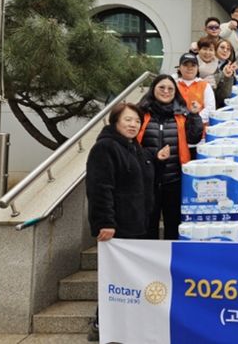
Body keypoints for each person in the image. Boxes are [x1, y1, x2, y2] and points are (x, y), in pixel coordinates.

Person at [85, 102, 166, 341]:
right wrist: (105, 222)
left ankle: (124, 324)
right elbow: (100, 188)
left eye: (137, 121)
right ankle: (100, 324)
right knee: (115, 279)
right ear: (115, 121)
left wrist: (156, 158)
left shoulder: (133, 147)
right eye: (128, 120)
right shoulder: (105, 148)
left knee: (128, 279)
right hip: (118, 227)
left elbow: (141, 173)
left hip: (138, 224)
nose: (133, 125)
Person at [137, 75, 203, 240]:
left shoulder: (182, 113)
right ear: (153, 89)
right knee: (147, 226)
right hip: (147, 181)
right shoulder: (141, 113)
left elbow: (193, 138)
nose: (166, 91)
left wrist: (195, 116)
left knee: (173, 226)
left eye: (170, 89)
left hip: (174, 180)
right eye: (162, 87)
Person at [174, 52, 215, 128]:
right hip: (176, 129)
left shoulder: (205, 85)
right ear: (179, 67)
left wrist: (193, 120)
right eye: (185, 65)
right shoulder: (173, 85)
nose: (189, 68)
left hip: (199, 130)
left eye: (193, 65)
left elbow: (210, 108)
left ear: (197, 68)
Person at [214, 39, 237, 108]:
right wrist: (222, 74)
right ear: (215, 49)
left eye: (228, 49)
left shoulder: (230, 67)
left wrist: (229, 77)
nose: (225, 50)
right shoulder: (208, 63)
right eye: (222, 47)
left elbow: (226, 95)